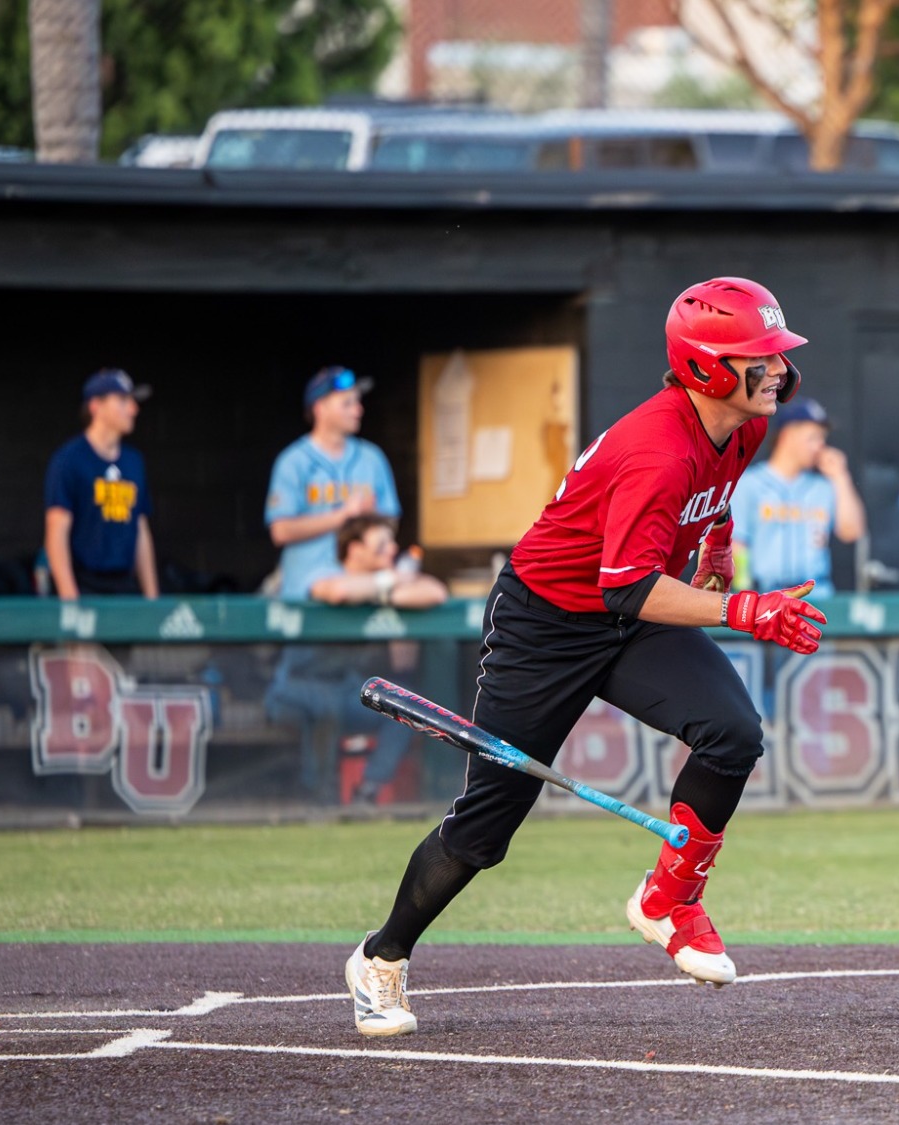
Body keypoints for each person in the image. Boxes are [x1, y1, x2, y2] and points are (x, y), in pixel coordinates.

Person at [344, 277, 826, 1037]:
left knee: (733, 732)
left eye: (775, 354)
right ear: (705, 368)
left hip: (631, 610)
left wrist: (718, 545)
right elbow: (628, 587)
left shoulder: (745, 422)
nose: (777, 370)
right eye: (757, 358)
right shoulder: (654, 451)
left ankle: (670, 897)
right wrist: (744, 611)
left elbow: (717, 492)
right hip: (548, 623)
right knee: (483, 831)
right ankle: (381, 955)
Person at [266, 514, 447, 804]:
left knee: (402, 706)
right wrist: (389, 582)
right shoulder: (323, 570)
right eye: (381, 544)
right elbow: (337, 591)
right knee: (325, 703)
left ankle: (368, 790)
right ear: (355, 549)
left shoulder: (382, 584)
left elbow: (436, 592)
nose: (391, 549)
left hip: (345, 689)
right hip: (294, 687)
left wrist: (387, 593)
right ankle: (314, 797)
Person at [266, 366, 400, 602]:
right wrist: (342, 516)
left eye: (357, 403)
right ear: (320, 408)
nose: (358, 410)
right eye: (347, 403)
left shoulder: (372, 458)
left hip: (363, 588)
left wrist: (371, 517)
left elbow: (391, 520)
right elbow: (280, 531)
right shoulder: (293, 461)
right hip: (305, 591)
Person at [727, 396, 864, 592]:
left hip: (817, 593)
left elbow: (852, 532)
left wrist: (841, 477)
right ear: (787, 435)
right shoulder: (750, 483)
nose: (820, 446)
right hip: (766, 593)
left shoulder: (823, 487)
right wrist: (744, 592)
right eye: (813, 437)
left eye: (822, 438)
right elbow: (737, 544)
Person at [43, 369, 159, 598]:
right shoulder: (69, 459)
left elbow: (141, 529)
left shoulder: (133, 461)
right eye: (123, 400)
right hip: (84, 584)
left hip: (124, 586)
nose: (133, 409)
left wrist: (151, 598)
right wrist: (70, 599)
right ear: (96, 406)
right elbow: (56, 531)